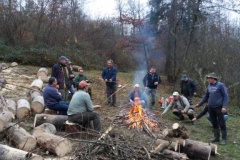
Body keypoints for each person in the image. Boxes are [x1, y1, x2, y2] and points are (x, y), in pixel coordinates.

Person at [195, 72, 229, 145]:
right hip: (211, 107)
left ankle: (224, 139)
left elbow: (226, 96)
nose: (207, 79)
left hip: (219, 107)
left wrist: (224, 106)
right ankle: (216, 137)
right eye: (207, 78)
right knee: (214, 122)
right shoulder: (209, 86)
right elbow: (206, 96)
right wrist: (199, 104)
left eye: (209, 78)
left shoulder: (220, 85)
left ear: (213, 78)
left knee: (222, 122)